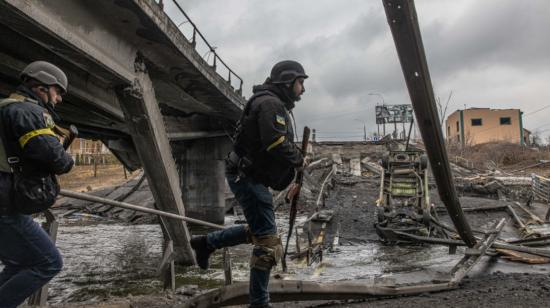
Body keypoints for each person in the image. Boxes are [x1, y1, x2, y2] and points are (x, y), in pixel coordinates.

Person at [191, 60, 308, 308]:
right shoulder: (270, 104)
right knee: (267, 244)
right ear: (288, 82)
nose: (302, 89)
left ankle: (206, 243)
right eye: (300, 83)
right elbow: (274, 142)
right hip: (246, 177)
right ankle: (259, 303)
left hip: (247, 176)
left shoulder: (269, 102)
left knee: (258, 232)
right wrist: (299, 159)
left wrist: (291, 177)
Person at [0, 61, 74, 307]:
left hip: (5, 201)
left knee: (21, 262)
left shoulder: (5, 107)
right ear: (41, 87)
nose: (59, 99)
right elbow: (57, 159)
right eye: (58, 91)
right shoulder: (28, 112)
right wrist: (67, 158)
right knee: (49, 262)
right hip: (4, 205)